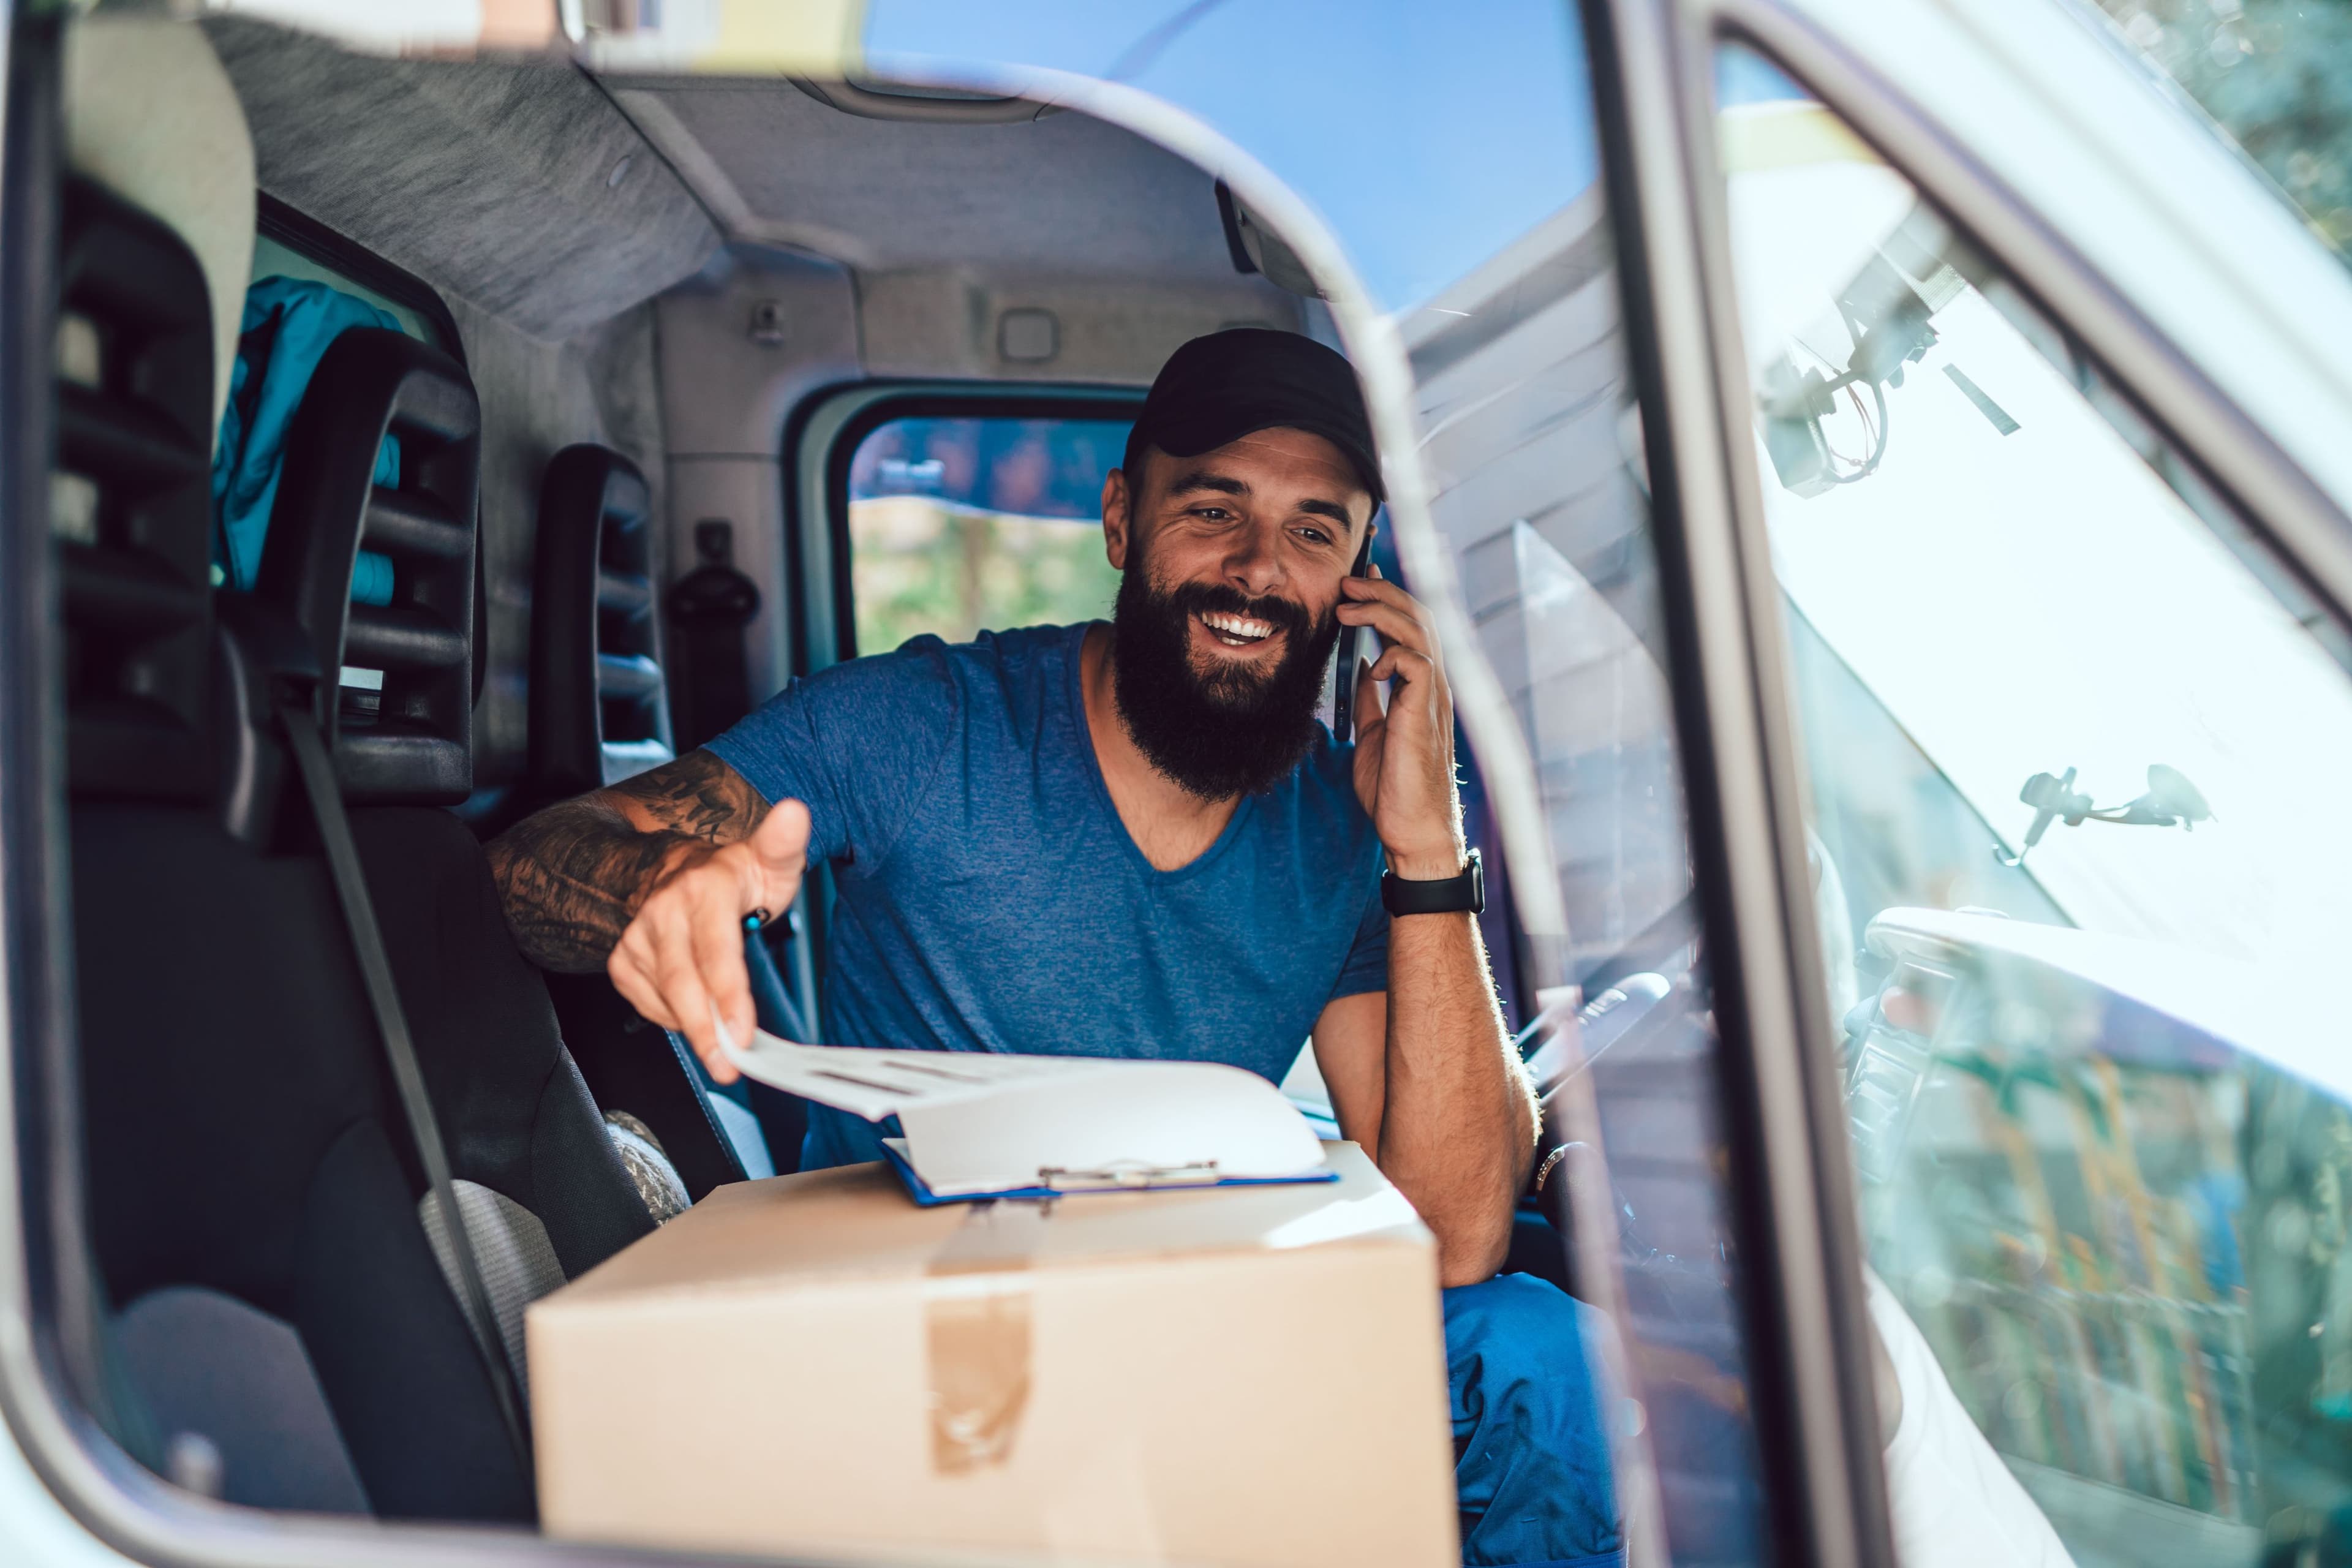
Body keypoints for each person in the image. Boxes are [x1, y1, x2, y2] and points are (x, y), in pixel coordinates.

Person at [489, 328, 1621, 1567]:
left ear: (1360, 576)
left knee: (1542, 1356)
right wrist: (655, 880)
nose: (1256, 567)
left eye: (1313, 529)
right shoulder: (927, 724)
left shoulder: (1338, 829)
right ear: (1123, 520)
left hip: (1210, 1325)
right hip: (940, 1343)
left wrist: (1425, 842)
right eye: (1214, 508)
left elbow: (1454, 1234)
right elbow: (543, 858)